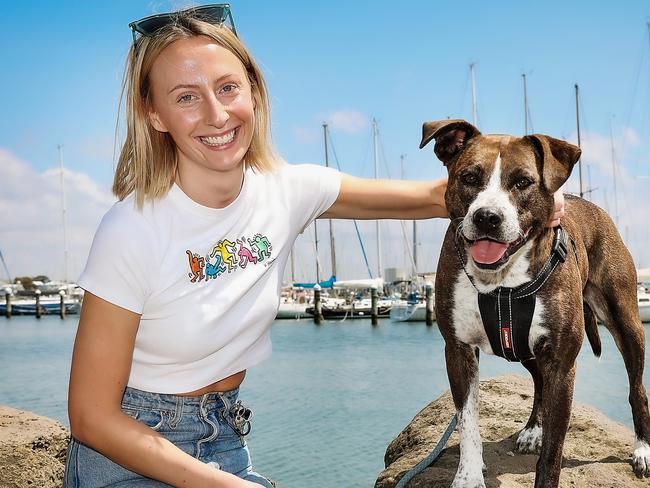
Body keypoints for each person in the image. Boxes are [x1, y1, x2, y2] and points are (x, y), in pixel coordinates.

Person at [65, 5, 564, 488]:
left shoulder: (287, 190)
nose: (217, 114)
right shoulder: (132, 228)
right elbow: (91, 417)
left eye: (227, 87)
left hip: (225, 438)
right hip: (130, 451)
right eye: (186, 97)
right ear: (153, 114)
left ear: (254, 93)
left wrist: (539, 200)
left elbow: (442, 197)